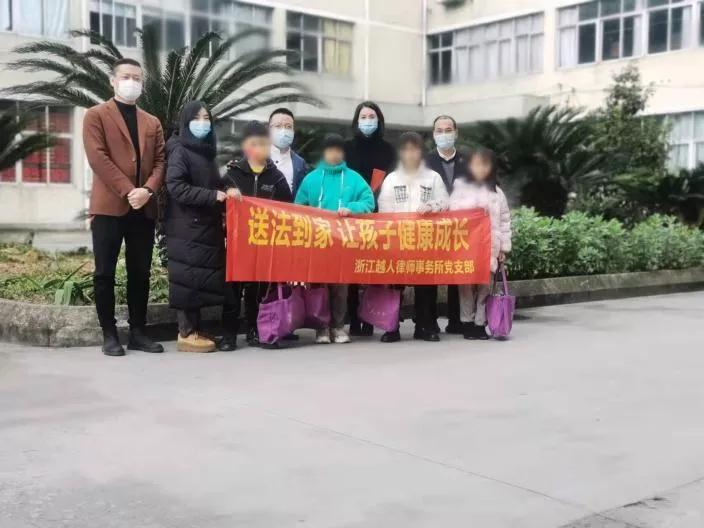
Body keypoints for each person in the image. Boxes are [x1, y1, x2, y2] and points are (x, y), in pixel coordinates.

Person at [83, 58, 165, 357]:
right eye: (126, 77)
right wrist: (129, 190)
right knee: (104, 272)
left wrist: (147, 190)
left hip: (143, 207)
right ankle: (109, 333)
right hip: (109, 207)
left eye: (137, 78)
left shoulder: (152, 122)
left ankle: (138, 332)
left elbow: (161, 161)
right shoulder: (96, 115)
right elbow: (98, 157)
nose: (132, 82)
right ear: (113, 80)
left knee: (140, 271)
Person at [294, 133, 375, 344]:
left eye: (338, 150)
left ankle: (338, 327)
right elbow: (298, 208)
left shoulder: (354, 178)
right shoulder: (311, 179)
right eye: (330, 149)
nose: (334, 154)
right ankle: (321, 328)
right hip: (318, 242)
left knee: (341, 287)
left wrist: (352, 208)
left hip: (343, 243)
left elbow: (369, 202)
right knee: (318, 287)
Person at [164, 101, 230, 353]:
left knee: (197, 279)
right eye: (197, 118)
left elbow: (212, 183)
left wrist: (225, 188)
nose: (203, 123)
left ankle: (195, 329)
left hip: (202, 225)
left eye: (206, 118)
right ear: (185, 122)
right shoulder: (180, 150)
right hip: (186, 227)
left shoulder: (204, 151)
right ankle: (186, 333)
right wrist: (211, 196)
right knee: (187, 279)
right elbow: (176, 186)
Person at [222, 121, 293, 347]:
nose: (259, 148)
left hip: (263, 244)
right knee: (232, 290)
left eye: (263, 143)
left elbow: (288, 210)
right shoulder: (231, 174)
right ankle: (229, 334)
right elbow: (217, 203)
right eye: (254, 143)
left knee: (258, 290)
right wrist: (226, 193)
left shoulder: (277, 178)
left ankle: (255, 328)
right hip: (235, 244)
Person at [377, 132, 449, 343]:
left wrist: (432, 206)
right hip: (398, 239)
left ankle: (424, 326)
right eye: (406, 149)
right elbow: (384, 208)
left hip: (425, 240)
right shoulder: (392, 179)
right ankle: (391, 327)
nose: (410, 153)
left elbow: (446, 203)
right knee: (394, 285)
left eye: (415, 149)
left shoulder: (433, 177)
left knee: (426, 285)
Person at [343, 101, 396, 336]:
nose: (367, 121)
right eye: (363, 117)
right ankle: (353, 318)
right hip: (352, 214)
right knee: (352, 268)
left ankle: (371, 316)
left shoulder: (388, 150)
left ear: (379, 120)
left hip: (379, 214)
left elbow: (393, 180)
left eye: (371, 117)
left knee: (374, 268)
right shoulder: (346, 148)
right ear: (356, 121)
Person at [450, 147, 511, 340]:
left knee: (485, 288)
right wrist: (473, 209)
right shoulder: (460, 188)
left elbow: (504, 221)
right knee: (466, 288)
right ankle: (466, 322)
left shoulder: (497, 193)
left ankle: (479, 323)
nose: (481, 168)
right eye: (477, 164)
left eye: (485, 164)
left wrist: (503, 248)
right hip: (466, 247)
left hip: (489, 249)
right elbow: (452, 211)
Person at [425, 115, 467, 335]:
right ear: (434, 135)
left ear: (456, 133)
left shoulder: (469, 161)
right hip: (432, 227)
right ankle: (429, 321)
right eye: (439, 131)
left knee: (457, 272)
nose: (444, 134)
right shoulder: (425, 161)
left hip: (462, 227)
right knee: (431, 272)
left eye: (448, 130)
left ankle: (456, 320)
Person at [269, 107, 308, 196]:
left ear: (293, 131)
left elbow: (301, 196)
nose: (283, 131)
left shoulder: (299, 163)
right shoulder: (256, 157)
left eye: (288, 127)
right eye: (278, 126)